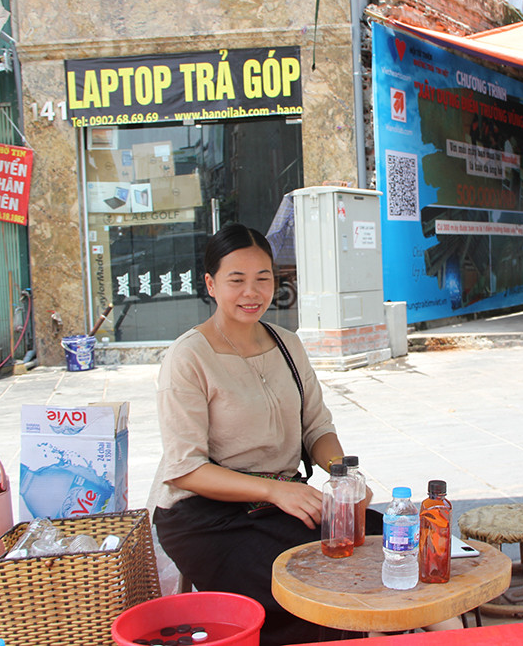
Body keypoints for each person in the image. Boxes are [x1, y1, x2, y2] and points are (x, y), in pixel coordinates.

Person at [148, 223, 371, 646]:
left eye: (263, 279)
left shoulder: (288, 344)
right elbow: (185, 469)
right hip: (206, 517)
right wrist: (275, 493)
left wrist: (343, 479)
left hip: (281, 501)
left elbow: (317, 428)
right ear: (211, 284)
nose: (252, 292)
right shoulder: (187, 357)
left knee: (378, 539)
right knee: (310, 579)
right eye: (237, 280)